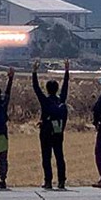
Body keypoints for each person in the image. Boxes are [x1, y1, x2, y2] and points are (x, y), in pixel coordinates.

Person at [32, 58, 70, 190]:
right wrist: (66, 71)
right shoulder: (61, 100)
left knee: (46, 157)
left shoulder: (45, 101)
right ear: (57, 89)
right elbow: (66, 86)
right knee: (59, 156)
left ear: (47, 90)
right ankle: (61, 181)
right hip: (58, 131)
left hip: (46, 132)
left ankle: (48, 181)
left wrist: (34, 72)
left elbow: (36, 89)